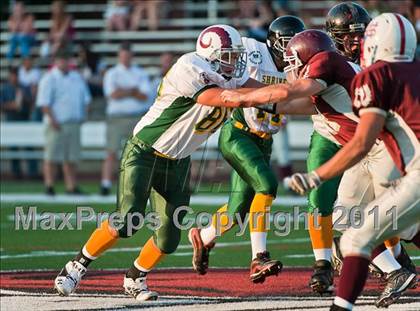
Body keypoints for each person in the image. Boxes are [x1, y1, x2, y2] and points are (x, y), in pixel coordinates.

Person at [53, 24, 267, 301]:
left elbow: (267, 94)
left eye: (236, 55)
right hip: (145, 151)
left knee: (168, 240)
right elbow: (224, 97)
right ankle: (76, 266)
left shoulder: (229, 78)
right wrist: (266, 96)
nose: (235, 61)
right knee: (128, 220)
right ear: (210, 53)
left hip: (177, 161)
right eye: (229, 55)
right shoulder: (189, 66)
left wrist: (308, 93)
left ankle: (135, 276)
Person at [282, 13, 419, 311]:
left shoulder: (369, 74)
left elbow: (362, 140)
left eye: (363, 36)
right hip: (378, 149)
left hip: (389, 153)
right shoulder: (402, 69)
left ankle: (395, 268)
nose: (357, 42)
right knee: (350, 224)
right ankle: (394, 269)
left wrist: (317, 176)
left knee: (396, 221)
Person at [188, 16, 305, 284]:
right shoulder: (254, 51)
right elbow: (232, 67)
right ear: (275, 42)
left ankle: (202, 237)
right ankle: (259, 257)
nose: (293, 51)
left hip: (265, 140)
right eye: (289, 44)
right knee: (267, 185)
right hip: (238, 134)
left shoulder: (299, 68)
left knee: (238, 210)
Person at [36, 50, 91, 195]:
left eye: (66, 59)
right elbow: (44, 103)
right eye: (61, 59)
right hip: (56, 123)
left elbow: (86, 98)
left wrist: (84, 115)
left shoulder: (76, 77)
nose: (64, 62)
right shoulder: (49, 78)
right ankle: (49, 186)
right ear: (56, 61)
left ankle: (71, 186)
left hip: (74, 122)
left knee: (71, 158)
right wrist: (53, 120)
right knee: (51, 157)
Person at [100, 42, 151, 196]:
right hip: (116, 117)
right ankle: (106, 184)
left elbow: (144, 96)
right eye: (123, 55)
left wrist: (123, 91)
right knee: (111, 151)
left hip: (136, 117)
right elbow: (112, 95)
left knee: (139, 153)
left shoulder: (140, 73)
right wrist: (132, 91)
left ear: (131, 56)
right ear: (119, 56)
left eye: (127, 55)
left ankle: (138, 183)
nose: (125, 58)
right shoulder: (112, 73)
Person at [0, 67, 33, 178]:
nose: (14, 78)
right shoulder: (5, 89)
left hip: (23, 117)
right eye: (12, 75)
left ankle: (32, 172)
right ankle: (16, 172)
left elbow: (31, 102)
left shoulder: (24, 87)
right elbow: (1, 105)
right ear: (9, 76)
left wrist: (24, 97)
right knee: (13, 146)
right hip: (11, 118)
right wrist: (12, 105)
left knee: (29, 145)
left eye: (16, 75)